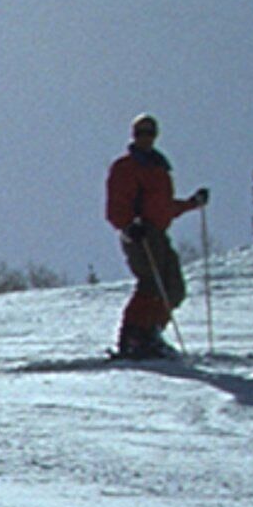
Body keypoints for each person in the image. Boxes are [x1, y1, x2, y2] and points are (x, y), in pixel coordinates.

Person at [102, 114, 211, 361]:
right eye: (141, 132)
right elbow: (117, 201)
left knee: (174, 289)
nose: (146, 137)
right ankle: (132, 336)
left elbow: (162, 206)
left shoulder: (159, 170)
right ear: (133, 135)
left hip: (158, 233)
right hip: (140, 233)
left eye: (150, 132)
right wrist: (128, 225)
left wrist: (192, 204)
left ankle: (150, 332)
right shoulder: (126, 166)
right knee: (151, 282)